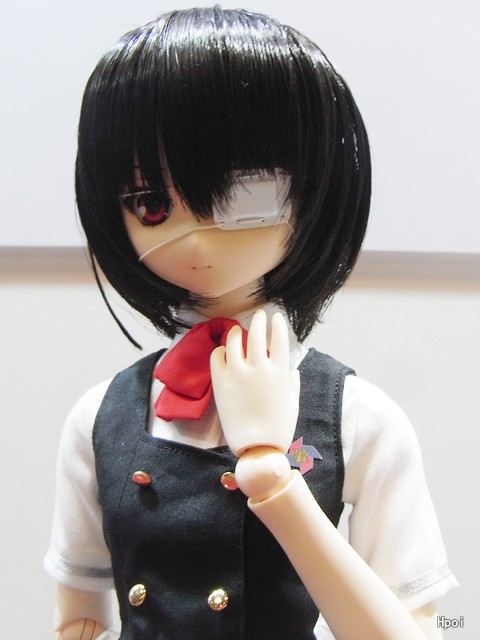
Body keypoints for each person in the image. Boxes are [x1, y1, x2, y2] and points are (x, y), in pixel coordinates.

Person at [45, 7, 457, 639]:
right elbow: (77, 620)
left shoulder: (358, 418)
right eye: (151, 204)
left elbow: (417, 630)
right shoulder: (101, 417)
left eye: (243, 197)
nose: (195, 237)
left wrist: (271, 477)